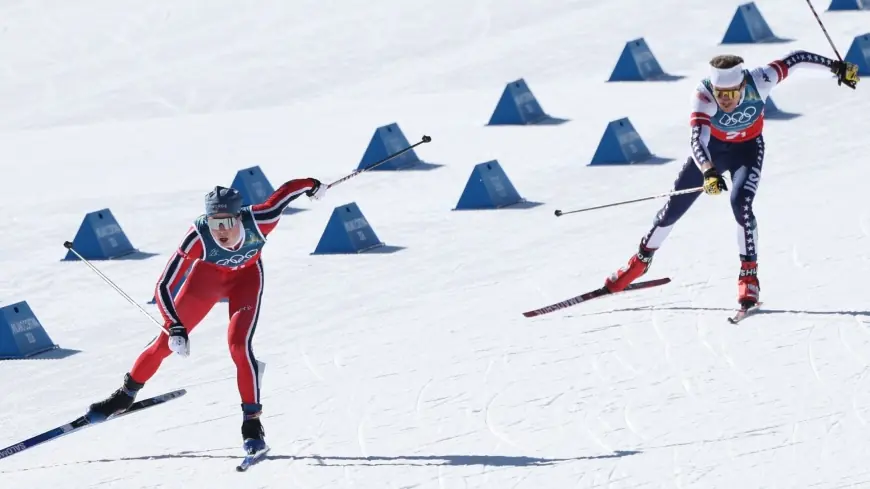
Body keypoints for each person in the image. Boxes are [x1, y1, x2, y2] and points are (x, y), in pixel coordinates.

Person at [85, 177, 327, 456]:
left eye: (227, 222)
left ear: (239, 217)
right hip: (207, 280)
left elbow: (286, 192)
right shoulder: (197, 237)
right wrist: (174, 326)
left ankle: (251, 423)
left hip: (246, 280)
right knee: (164, 343)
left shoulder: (262, 219)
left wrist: (313, 185)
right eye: (214, 223)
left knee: (239, 347)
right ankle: (124, 395)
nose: (220, 231)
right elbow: (164, 285)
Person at [604, 50, 860, 310]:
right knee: (672, 210)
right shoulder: (703, 95)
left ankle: (748, 276)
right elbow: (697, 140)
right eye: (720, 93)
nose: (725, 99)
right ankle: (640, 262)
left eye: (730, 93)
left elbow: (797, 60)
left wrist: (836, 67)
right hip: (713, 152)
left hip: (747, 152)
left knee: (741, 204)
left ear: (742, 86)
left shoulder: (760, 80)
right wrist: (708, 171)